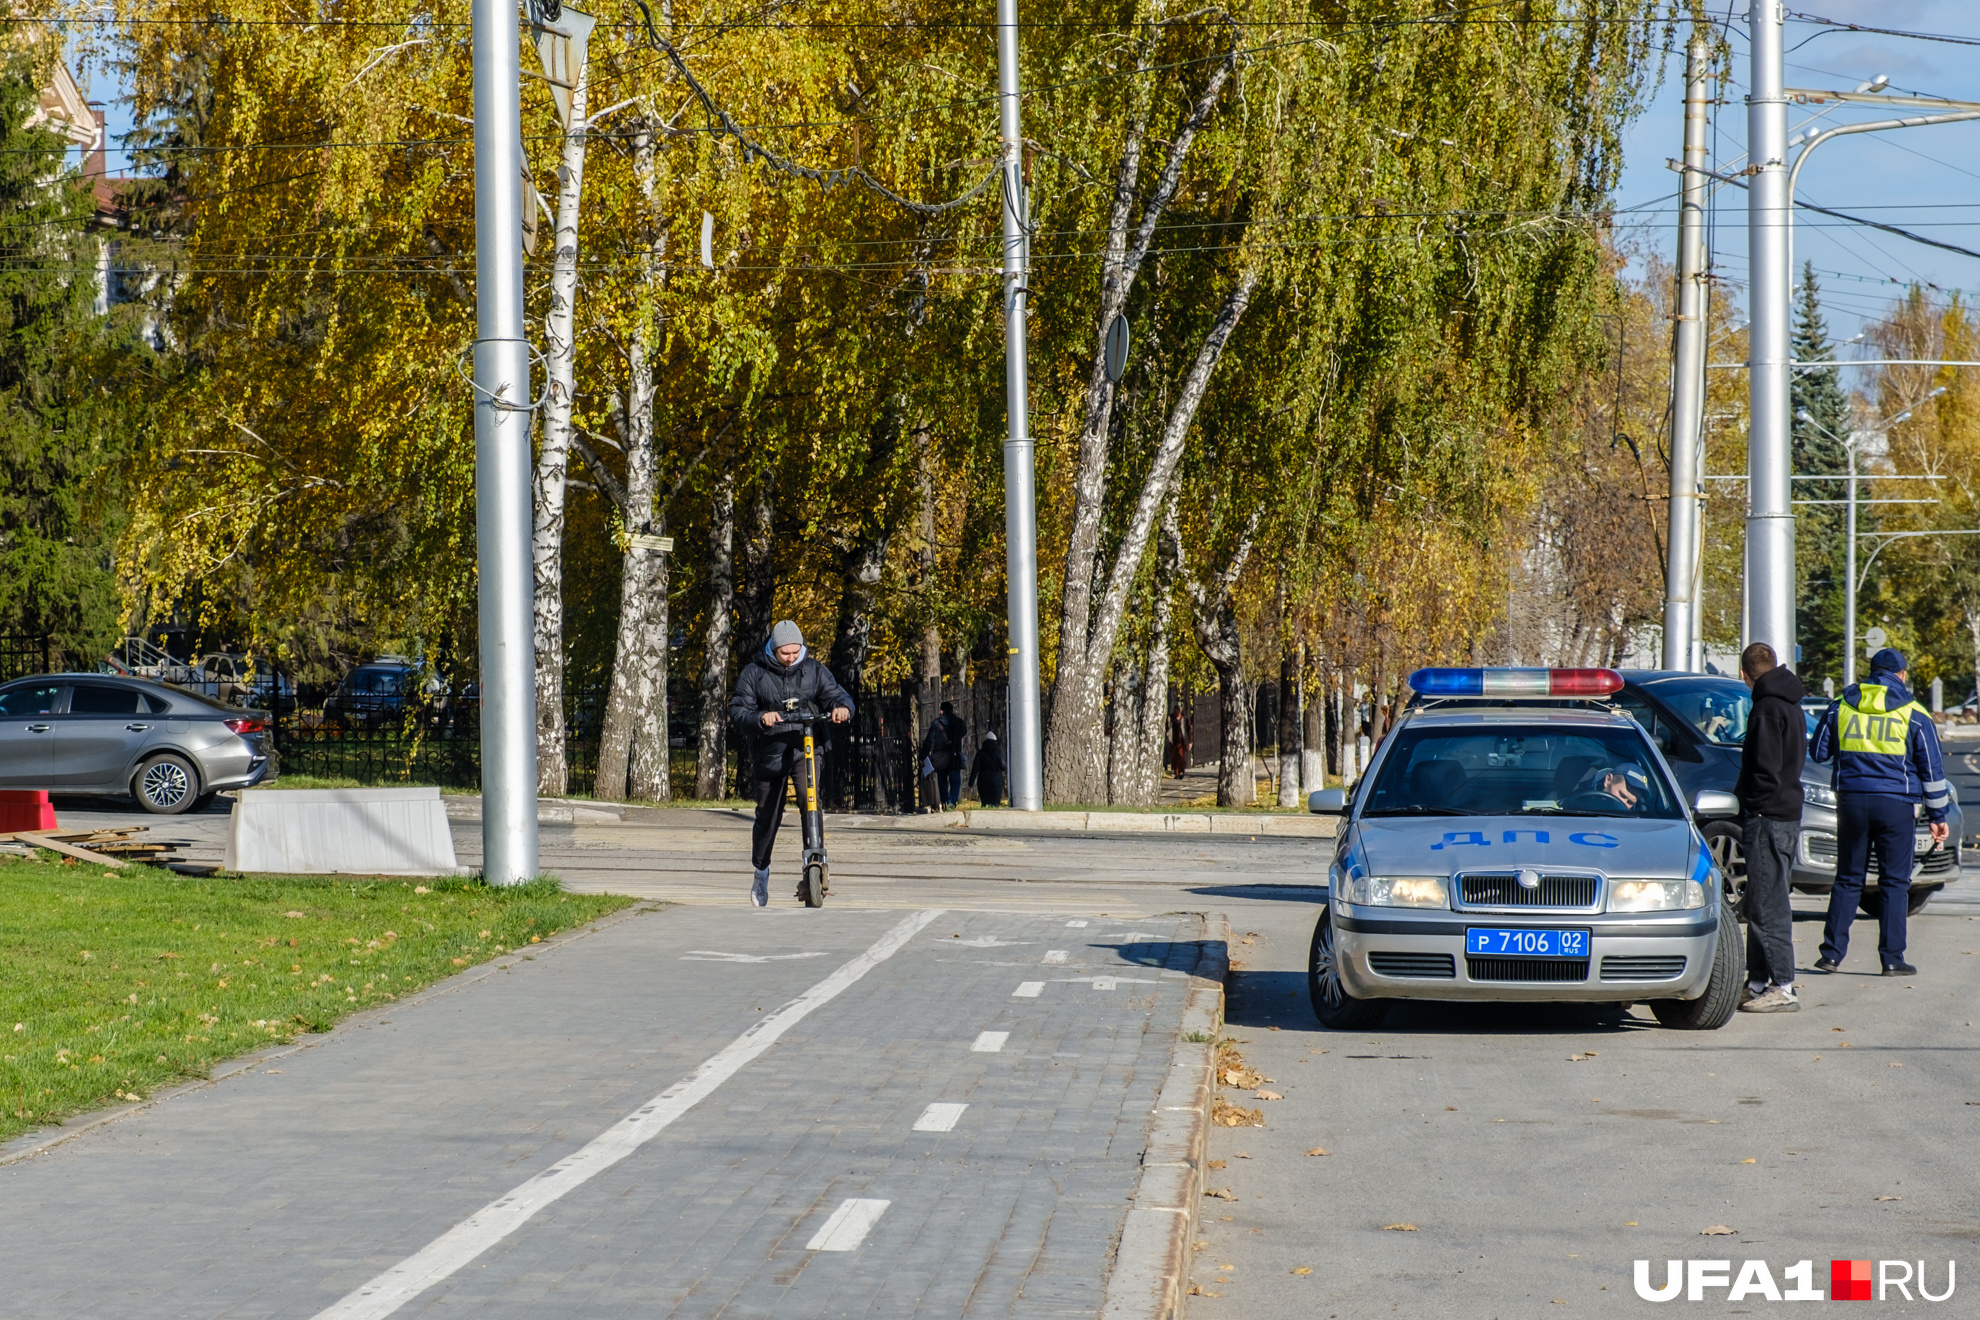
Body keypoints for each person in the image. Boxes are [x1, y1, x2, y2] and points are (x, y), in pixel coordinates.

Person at [1809, 646, 1950, 976]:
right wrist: (1938, 817)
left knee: (1848, 877)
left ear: (1871, 673)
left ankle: (1831, 954)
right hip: (1896, 804)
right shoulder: (1914, 713)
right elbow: (1932, 770)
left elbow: (1817, 751)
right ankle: (1891, 958)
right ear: (1901, 675)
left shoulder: (1841, 705)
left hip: (1852, 801)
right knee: (1894, 882)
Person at [727, 620, 852, 907]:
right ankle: (761, 871)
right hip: (770, 750)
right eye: (786, 653)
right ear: (774, 648)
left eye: (796, 652)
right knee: (768, 814)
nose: (792, 658)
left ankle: (815, 861)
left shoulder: (814, 670)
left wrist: (842, 708)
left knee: (811, 803)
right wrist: (761, 718)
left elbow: (836, 694)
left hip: (806, 746)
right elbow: (738, 711)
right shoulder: (755, 673)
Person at [1733, 641, 1806, 1013]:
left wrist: (1753, 805)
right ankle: (1759, 981)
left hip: (1768, 816)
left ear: (1744, 673)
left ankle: (1781, 984)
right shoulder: (1791, 704)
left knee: (1767, 903)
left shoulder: (1765, 708)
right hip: (1787, 813)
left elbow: (1764, 768)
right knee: (1765, 899)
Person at [919, 701, 968, 810]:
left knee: (942, 781)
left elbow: (929, 742)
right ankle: (952, 801)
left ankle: (945, 802)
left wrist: (923, 756)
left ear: (941, 711)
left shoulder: (936, 724)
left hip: (940, 757)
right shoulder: (959, 722)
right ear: (952, 710)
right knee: (955, 780)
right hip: (954, 755)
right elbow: (964, 732)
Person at [969, 730, 1007, 806]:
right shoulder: (998, 752)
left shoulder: (980, 753)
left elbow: (975, 769)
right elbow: (1003, 766)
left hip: (983, 780)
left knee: (985, 802)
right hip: (996, 780)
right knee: (995, 803)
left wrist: (970, 784)